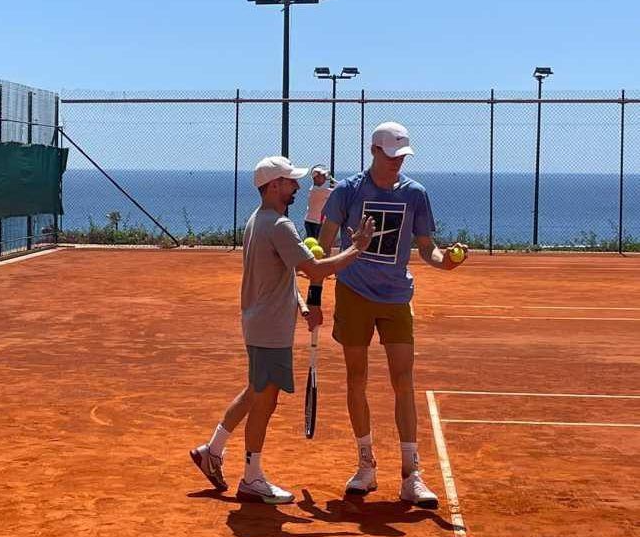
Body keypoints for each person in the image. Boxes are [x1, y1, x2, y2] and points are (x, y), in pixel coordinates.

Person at [190, 156, 374, 504]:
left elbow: (280, 274)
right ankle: (252, 477)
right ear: (274, 185)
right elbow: (315, 270)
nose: (297, 186)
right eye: (290, 181)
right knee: (265, 401)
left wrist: (302, 305)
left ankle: (211, 451)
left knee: (254, 391)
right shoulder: (280, 226)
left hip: (261, 323)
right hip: (270, 329)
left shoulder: (257, 220)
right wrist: (357, 248)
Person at [315, 122, 468, 509]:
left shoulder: (415, 194)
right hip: (353, 294)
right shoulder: (347, 191)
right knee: (357, 378)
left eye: (402, 156)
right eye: (391, 155)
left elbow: (427, 249)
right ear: (374, 151)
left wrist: (445, 262)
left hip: (397, 296)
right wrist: (314, 298)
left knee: (403, 380)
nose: (397, 162)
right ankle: (365, 465)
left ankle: (411, 473)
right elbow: (323, 247)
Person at [303, 164, 335, 240]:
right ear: (316, 178)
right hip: (314, 222)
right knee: (316, 242)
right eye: (322, 175)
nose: (324, 177)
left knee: (314, 242)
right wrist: (332, 180)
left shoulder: (315, 189)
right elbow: (337, 190)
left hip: (312, 221)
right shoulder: (318, 191)